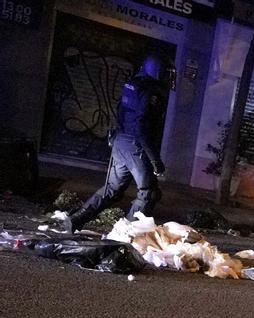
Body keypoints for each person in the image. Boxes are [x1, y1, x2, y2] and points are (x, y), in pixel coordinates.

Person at [64, 53, 174, 231]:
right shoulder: (151, 91)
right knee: (149, 193)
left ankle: (76, 219)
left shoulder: (133, 84)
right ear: (157, 70)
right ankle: (127, 234)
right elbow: (141, 126)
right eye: (166, 72)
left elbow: (121, 111)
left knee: (112, 189)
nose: (168, 76)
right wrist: (155, 159)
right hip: (135, 145)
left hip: (121, 141)